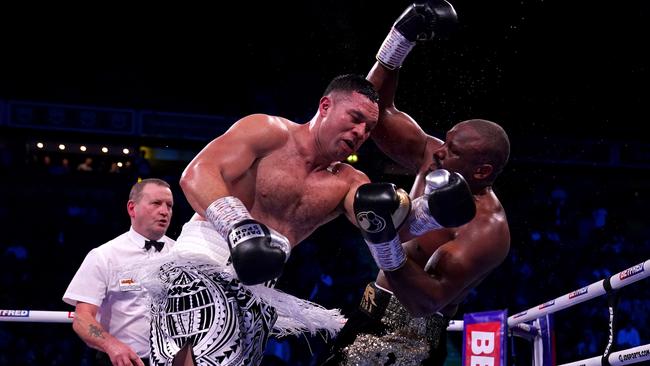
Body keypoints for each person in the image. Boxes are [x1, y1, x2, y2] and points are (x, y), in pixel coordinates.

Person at [142, 74, 476, 366]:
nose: (360, 132)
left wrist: (433, 211)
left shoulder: (348, 181)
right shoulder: (268, 131)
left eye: (368, 128)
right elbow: (197, 173)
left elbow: (388, 226)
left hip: (260, 286)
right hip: (203, 261)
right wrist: (239, 227)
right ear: (326, 106)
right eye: (355, 118)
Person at [323, 1, 512, 365]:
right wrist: (399, 41)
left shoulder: (488, 229)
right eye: (444, 141)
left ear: (482, 171)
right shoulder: (435, 155)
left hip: (409, 336)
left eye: (453, 150)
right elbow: (379, 115)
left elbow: (426, 301)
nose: (439, 152)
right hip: (369, 306)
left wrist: (383, 238)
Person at [63, 178, 175, 366]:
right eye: (156, 203)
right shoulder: (104, 256)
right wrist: (111, 345)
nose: (164, 211)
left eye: (169, 205)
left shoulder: (181, 254)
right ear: (132, 208)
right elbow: (82, 318)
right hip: (121, 361)